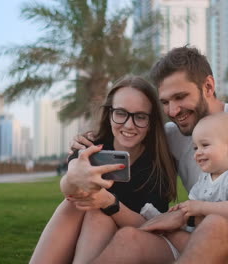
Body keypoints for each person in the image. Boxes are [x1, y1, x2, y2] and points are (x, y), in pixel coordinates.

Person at [73, 47, 228, 263]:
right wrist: (92, 141)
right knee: (128, 239)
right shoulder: (173, 135)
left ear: (208, 87)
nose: (173, 111)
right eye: (165, 102)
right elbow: (128, 136)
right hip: (198, 235)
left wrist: (189, 215)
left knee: (215, 226)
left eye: (180, 97)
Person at [29, 76, 178, 264]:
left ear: (150, 123)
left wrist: (109, 202)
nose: (129, 124)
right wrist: (74, 177)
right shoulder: (90, 146)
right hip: (83, 232)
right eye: (121, 113)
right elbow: (68, 189)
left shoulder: (158, 163)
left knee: (99, 214)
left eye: (140, 116)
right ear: (109, 114)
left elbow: (154, 226)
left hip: (130, 242)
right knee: (75, 203)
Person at [160, 112, 228, 256]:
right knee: (169, 236)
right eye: (195, 148)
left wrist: (201, 207)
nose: (197, 153)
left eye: (204, 145)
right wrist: (182, 209)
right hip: (203, 238)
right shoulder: (204, 178)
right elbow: (193, 204)